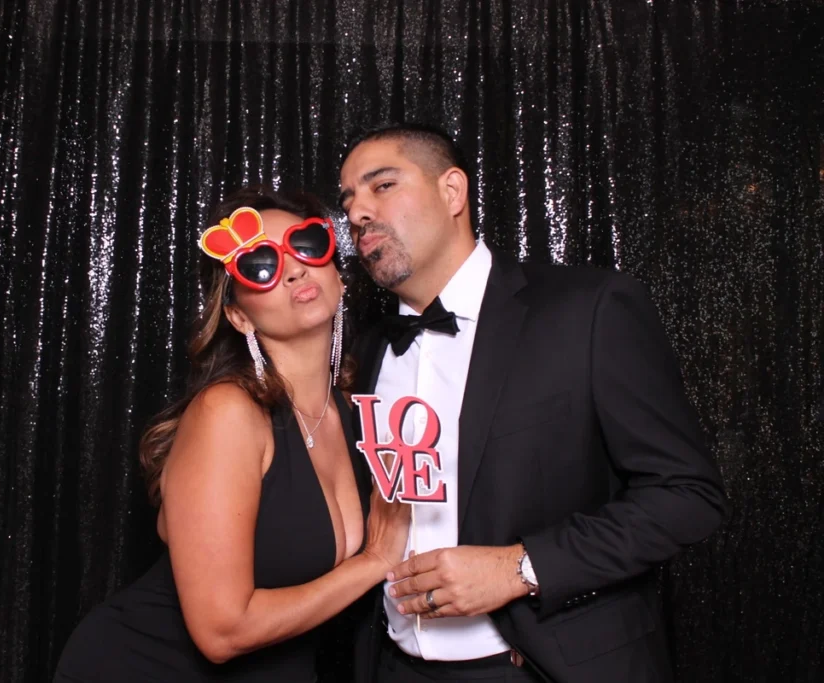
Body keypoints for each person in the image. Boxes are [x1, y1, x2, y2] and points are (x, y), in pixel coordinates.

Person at [338, 123, 729, 683]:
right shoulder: (368, 350)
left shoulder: (588, 310)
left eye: (382, 186)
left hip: (540, 667)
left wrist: (521, 567)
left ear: (453, 192)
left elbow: (688, 496)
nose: (358, 213)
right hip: (395, 667)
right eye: (349, 198)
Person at [53, 186, 410, 682]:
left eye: (307, 245)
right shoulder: (229, 412)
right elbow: (222, 632)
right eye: (261, 265)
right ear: (239, 314)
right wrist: (373, 561)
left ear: (339, 277)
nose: (293, 268)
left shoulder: (355, 410)